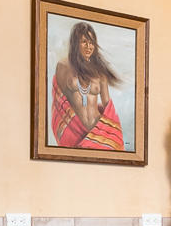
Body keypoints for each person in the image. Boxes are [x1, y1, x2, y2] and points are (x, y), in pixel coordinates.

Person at [50, 20, 127, 151]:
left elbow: (108, 104)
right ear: (75, 44)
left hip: (99, 134)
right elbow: (59, 104)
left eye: (91, 43)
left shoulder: (100, 72)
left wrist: (114, 133)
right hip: (75, 133)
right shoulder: (63, 67)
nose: (88, 46)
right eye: (84, 41)